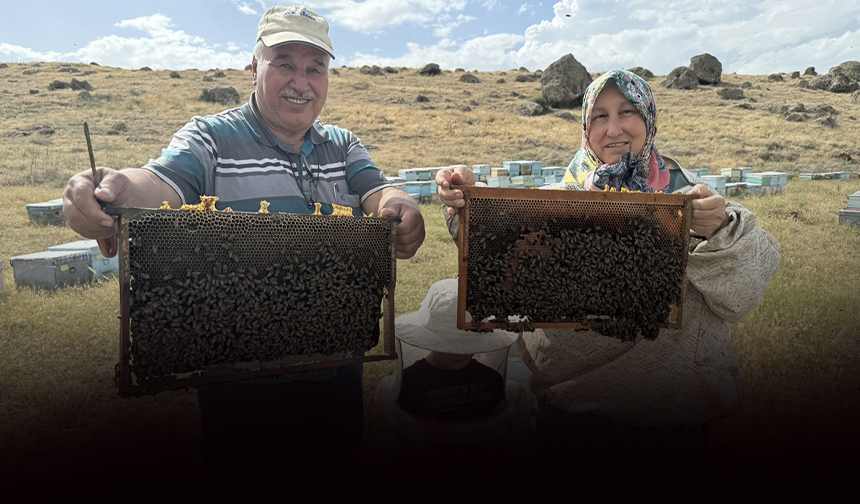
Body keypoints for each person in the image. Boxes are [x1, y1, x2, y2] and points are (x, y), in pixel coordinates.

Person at [63, 5, 425, 486]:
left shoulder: (343, 144)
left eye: (315, 68)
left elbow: (378, 190)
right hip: (241, 378)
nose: (302, 80)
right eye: (284, 63)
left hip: (338, 366)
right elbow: (157, 184)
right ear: (254, 67)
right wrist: (114, 191)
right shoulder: (209, 139)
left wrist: (401, 205)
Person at [435, 69, 780, 470]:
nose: (613, 128)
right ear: (585, 126)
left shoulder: (694, 199)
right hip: (571, 425)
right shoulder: (550, 203)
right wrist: (469, 201)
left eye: (627, 111)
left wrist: (720, 230)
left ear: (649, 119)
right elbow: (498, 264)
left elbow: (744, 293)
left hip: (673, 430)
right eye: (599, 115)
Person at [360, 278, 535, 481]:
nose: (458, 351)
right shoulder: (409, 382)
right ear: (429, 337)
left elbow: (516, 441)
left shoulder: (491, 378)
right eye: (450, 342)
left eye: (466, 342)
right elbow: (384, 443)